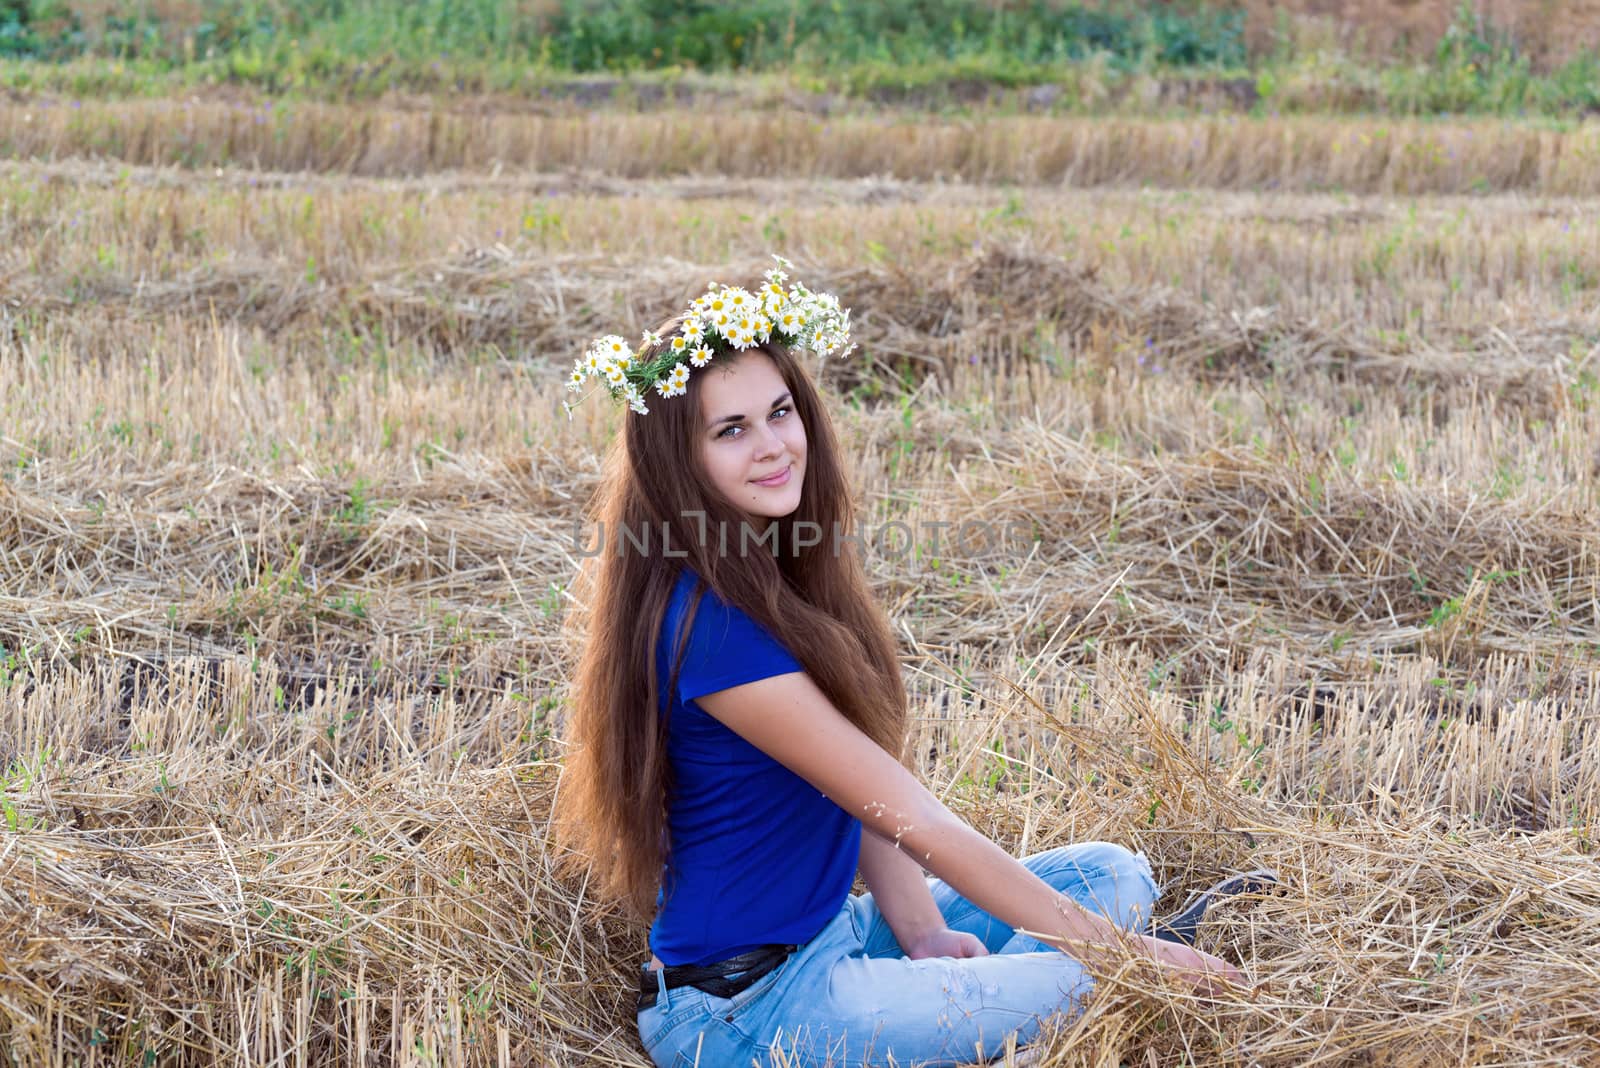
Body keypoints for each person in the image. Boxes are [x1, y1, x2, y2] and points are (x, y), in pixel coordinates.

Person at [555, 259, 1268, 1067]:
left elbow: (849, 792)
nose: (774, 446)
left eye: (781, 412)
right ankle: (1050, 987)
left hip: (836, 939)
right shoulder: (713, 630)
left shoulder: (771, 576)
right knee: (1094, 982)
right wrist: (1128, 962)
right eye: (731, 430)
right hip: (749, 1011)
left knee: (1111, 876)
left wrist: (924, 932)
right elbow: (909, 814)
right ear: (679, 464)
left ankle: (1003, 989)